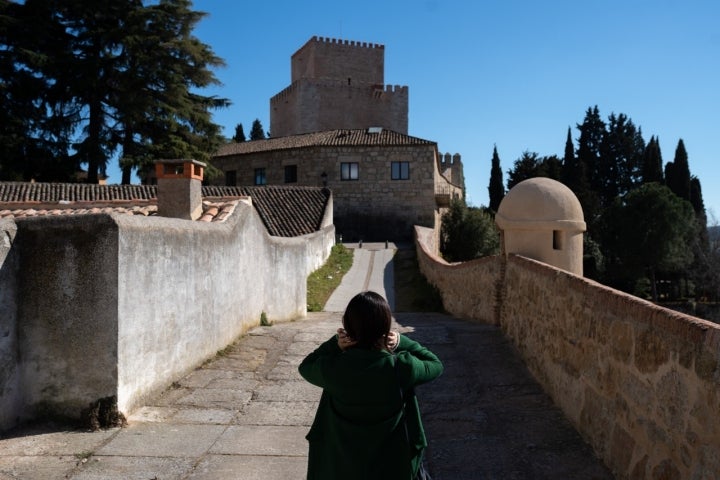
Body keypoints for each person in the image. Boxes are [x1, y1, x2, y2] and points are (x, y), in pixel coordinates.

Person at [298, 290, 443, 480]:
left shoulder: (334, 368)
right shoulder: (402, 367)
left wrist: (335, 344)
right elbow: (435, 364)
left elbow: (306, 366)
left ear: (347, 325)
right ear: (385, 326)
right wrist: (402, 341)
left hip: (341, 467)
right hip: (392, 466)